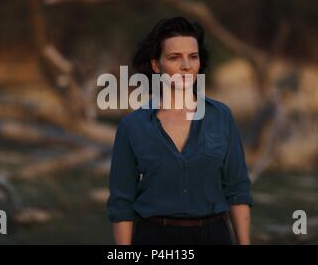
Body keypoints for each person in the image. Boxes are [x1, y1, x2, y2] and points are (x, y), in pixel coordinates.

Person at [107, 16, 253, 245]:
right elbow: (121, 203)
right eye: (175, 58)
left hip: (214, 235)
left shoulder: (221, 116)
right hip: (155, 237)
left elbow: (237, 190)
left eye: (193, 57)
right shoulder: (132, 126)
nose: (186, 65)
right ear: (157, 65)